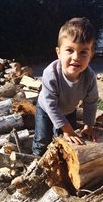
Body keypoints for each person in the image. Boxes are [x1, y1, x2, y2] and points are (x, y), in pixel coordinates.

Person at [32, 17, 99, 156]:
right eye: (69, 50)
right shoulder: (51, 73)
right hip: (46, 109)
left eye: (83, 52)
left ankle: (62, 163)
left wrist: (88, 126)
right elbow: (51, 106)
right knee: (43, 139)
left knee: (69, 141)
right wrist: (67, 129)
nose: (76, 57)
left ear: (91, 55)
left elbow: (91, 102)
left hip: (69, 110)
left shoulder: (89, 77)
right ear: (58, 52)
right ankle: (36, 162)